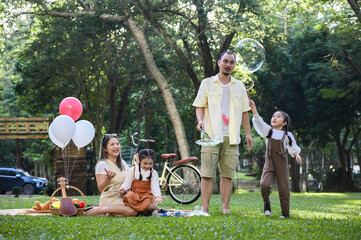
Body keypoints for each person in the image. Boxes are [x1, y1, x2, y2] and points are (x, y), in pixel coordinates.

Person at [192, 51, 253, 214]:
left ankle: (225, 208)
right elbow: (200, 105)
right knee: (207, 174)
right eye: (225, 61)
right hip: (211, 135)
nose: (228, 65)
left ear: (234, 65)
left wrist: (248, 133)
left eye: (232, 62)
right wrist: (200, 120)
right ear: (219, 62)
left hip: (232, 137)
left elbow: (245, 112)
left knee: (228, 175)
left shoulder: (239, 86)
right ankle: (205, 208)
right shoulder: (207, 83)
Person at [249, 99, 302, 219]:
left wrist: (297, 155)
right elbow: (259, 120)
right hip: (269, 164)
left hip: (282, 165)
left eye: (278, 117)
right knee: (264, 184)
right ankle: (266, 203)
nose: (274, 118)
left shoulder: (287, 135)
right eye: (273, 116)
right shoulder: (268, 131)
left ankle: (285, 213)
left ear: (284, 123)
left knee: (284, 189)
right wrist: (254, 109)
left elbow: (292, 147)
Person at [84, 134, 138, 217]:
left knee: (141, 208)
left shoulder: (122, 163)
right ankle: (98, 210)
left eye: (117, 143)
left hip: (123, 198)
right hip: (109, 199)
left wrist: (138, 166)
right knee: (132, 212)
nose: (116, 146)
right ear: (105, 149)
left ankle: (110, 212)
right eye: (112, 144)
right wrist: (108, 179)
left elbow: (131, 178)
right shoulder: (102, 164)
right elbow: (101, 188)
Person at [119, 149, 165, 215]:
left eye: (150, 163)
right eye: (145, 163)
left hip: (146, 196)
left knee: (149, 204)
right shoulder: (133, 170)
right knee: (129, 196)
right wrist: (123, 188)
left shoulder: (153, 173)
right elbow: (127, 182)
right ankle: (144, 211)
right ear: (140, 161)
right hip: (135, 194)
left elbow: (155, 186)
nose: (147, 166)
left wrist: (158, 196)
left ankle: (156, 210)